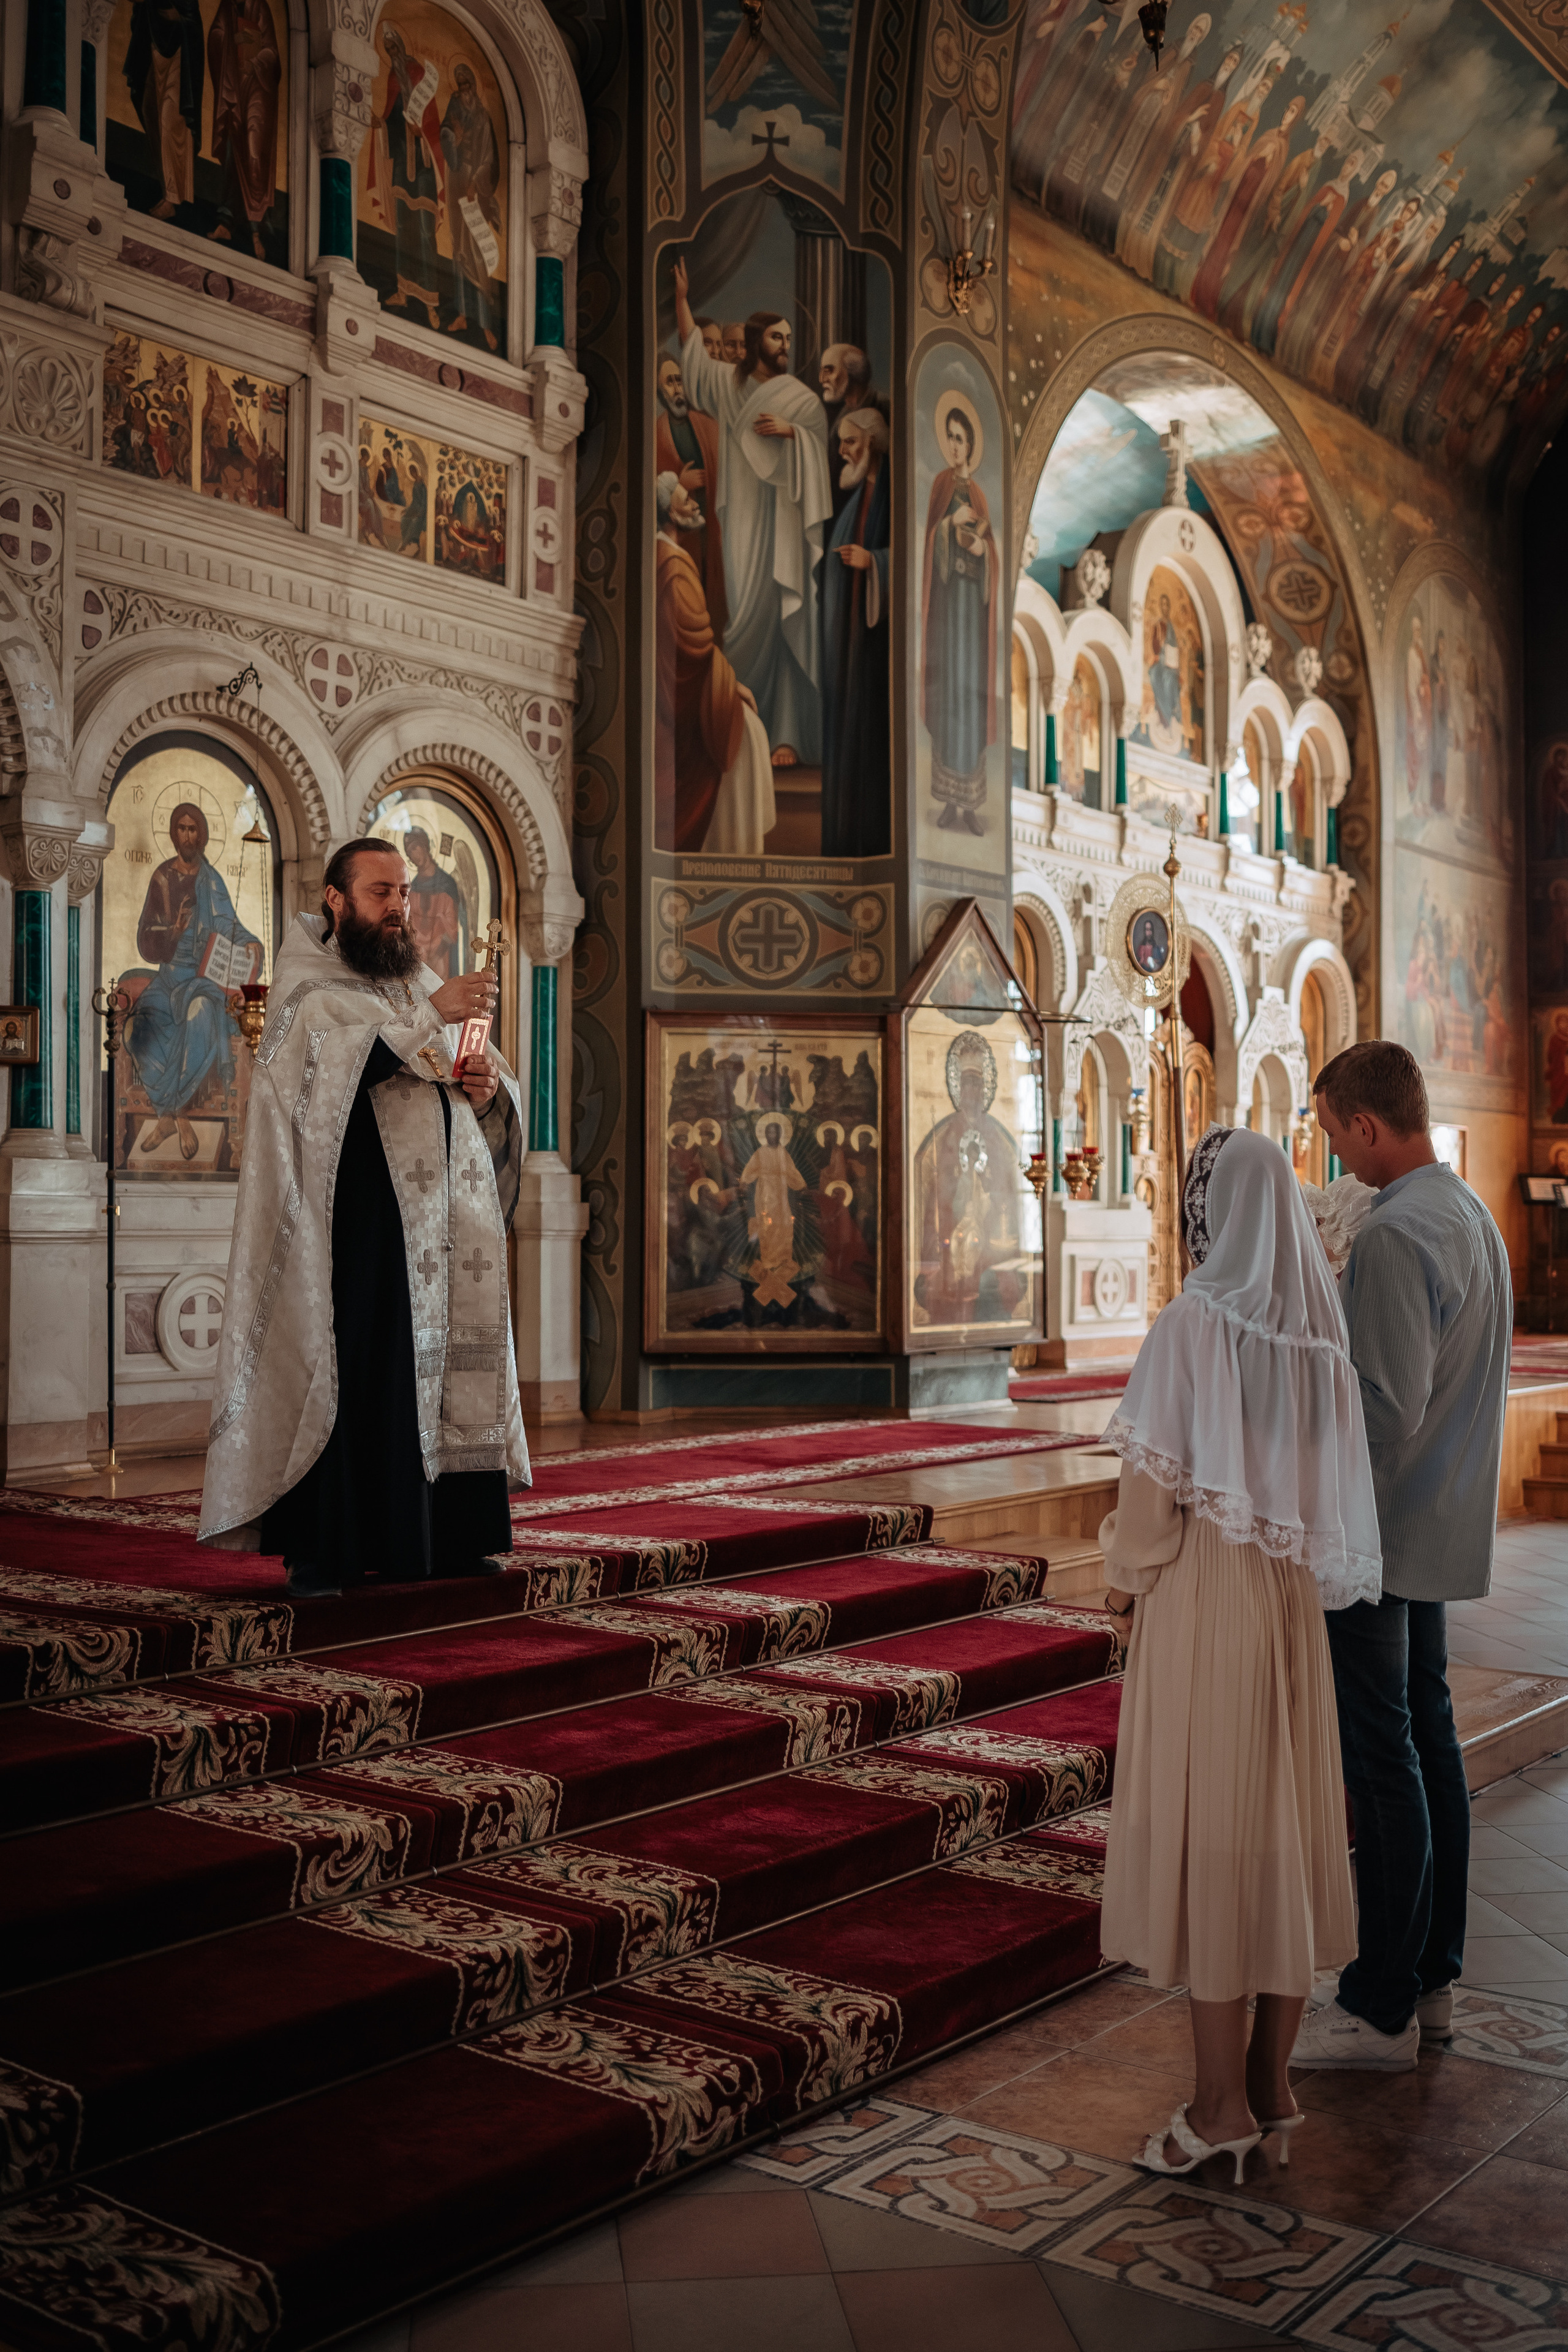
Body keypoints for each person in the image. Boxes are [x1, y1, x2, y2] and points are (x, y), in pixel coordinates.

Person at [1101, 1126, 1381, 2176]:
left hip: (1205, 1598)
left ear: (1212, 1210)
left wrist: (1121, 1584)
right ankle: (1274, 2087)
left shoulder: (1192, 1324)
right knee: (1280, 1833)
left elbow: (1151, 1504)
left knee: (1220, 1838)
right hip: (1287, 1602)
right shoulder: (1317, 1337)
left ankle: (1218, 2111)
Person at [198, 842, 528, 1596]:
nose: (398, 906)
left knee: (442, 1370)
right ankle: (328, 1548)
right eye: (381, 891)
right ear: (336, 901)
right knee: (361, 1374)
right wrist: (424, 1020)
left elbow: (474, 1082)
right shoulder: (309, 990)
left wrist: (482, 1087)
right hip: (356, 1232)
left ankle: (448, 1536)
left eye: (404, 893)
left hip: (445, 1229)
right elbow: (312, 1086)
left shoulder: (419, 983)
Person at [1292, 1041, 1512, 2071]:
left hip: (1375, 1536)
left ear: (1365, 1125)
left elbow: (1379, 1413)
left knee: (1383, 1764)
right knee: (1429, 1748)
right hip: (1442, 1522)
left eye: (1333, 1133)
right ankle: (1432, 1984)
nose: (1334, 1154)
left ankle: (1377, 2005)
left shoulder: (1392, 1234)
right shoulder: (1471, 1216)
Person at [673, 258, 832, 769]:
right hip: (741, 517)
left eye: (789, 340)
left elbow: (819, 446)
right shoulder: (731, 385)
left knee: (786, 611)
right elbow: (695, 363)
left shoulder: (802, 400)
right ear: (759, 340)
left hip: (785, 522)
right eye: (777, 339)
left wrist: (794, 435)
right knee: (742, 614)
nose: (786, 347)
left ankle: (785, 732)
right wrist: (681, 302)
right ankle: (739, 723)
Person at [127, 801, 260, 1161]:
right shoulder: (162, 878)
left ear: (202, 834)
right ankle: (177, 1117)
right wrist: (173, 931)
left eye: (193, 829)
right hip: (168, 978)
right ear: (173, 834)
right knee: (139, 1031)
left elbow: (229, 925)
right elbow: (145, 941)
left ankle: (171, 1114)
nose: (188, 835)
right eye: (181, 828)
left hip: (202, 980)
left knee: (201, 1013)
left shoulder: (211, 881)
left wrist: (251, 944)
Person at [654, 472, 772, 853]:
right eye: (686, 500)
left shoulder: (665, 558)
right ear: (669, 512)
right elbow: (691, 646)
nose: (694, 506)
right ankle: (732, 851)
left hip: (683, 687)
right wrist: (731, 685)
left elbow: (695, 645)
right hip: (679, 699)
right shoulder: (672, 566)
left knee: (747, 727)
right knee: (747, 735)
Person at [921, 402, 997, 834]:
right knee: (950, 693)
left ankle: (969, 806)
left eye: (960, 438)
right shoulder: (940, 487)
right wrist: (950, 526)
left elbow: (994, 555)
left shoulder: (982, 494)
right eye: (948, 437)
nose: (953, 446)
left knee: (971, 697)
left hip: (974, 609)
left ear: (970, 444)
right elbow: (930, 537)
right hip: (949, 611)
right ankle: (949, 802)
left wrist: (983, 550)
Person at [820, 408, 891, 858]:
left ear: (872, 442)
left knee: (869, 743)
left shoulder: (892, 497)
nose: (843, 451)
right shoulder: (856, 497)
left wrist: (875, 563)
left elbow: (921, 566)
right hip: (846, 643)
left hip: (875, 653)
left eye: (850, 442)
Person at [655, 354, 726, 639]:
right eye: (669, 382)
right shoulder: (655, 434)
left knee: (717, 596)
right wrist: (679, 482)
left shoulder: (708, 427)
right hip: (684, 536)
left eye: (680, 380)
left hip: (715, 529)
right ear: (660, 390)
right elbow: (652, 488)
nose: (677, 389)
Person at [205, 0, 281, 259]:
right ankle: (225, 222)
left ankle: (256, 231)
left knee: (253, 155)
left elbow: (273, 54)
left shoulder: (261, 8)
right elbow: (215, 35)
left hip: (258, 93)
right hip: (234, 89)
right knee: (231, 154)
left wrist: (256, 61)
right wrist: (229, 41)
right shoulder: (227, 6)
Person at [402, 827, 466, 980]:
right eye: (409, 852)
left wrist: (435, 957)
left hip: (440, 961)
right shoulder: (412, 888)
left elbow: (452, 930)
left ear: (424, 847)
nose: (412, 855)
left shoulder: (447, 885)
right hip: (418, 961)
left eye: (414, 848)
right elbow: (408, 926)